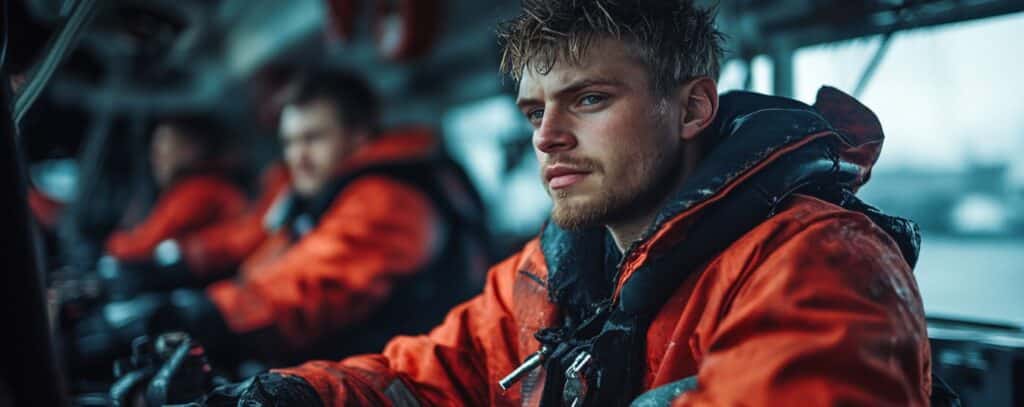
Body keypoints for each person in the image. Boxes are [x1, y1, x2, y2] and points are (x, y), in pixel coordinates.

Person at [192, 1, 943, 406]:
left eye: (588, 99)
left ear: (691, 109)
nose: (547, 137)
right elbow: (423, 378)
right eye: (532, 110)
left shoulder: (819, 259)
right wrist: (283, 397)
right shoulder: (550, 269)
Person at [73, 70, 490, 370]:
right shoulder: (321, 192)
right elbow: (252, 242)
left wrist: (195, 315)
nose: (297, 156)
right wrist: (166, 270)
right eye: (289, 141)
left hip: (394, 381)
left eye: (313, 138)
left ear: (359, 136)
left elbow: (308, 287)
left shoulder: (387, 201)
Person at [100, 115, 247, 295]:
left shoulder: (199, 191)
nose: (155, 160)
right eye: (154, 152)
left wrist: (112, 244)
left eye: (164, 150)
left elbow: (143, 245)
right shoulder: (207, 187)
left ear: (191, 149)